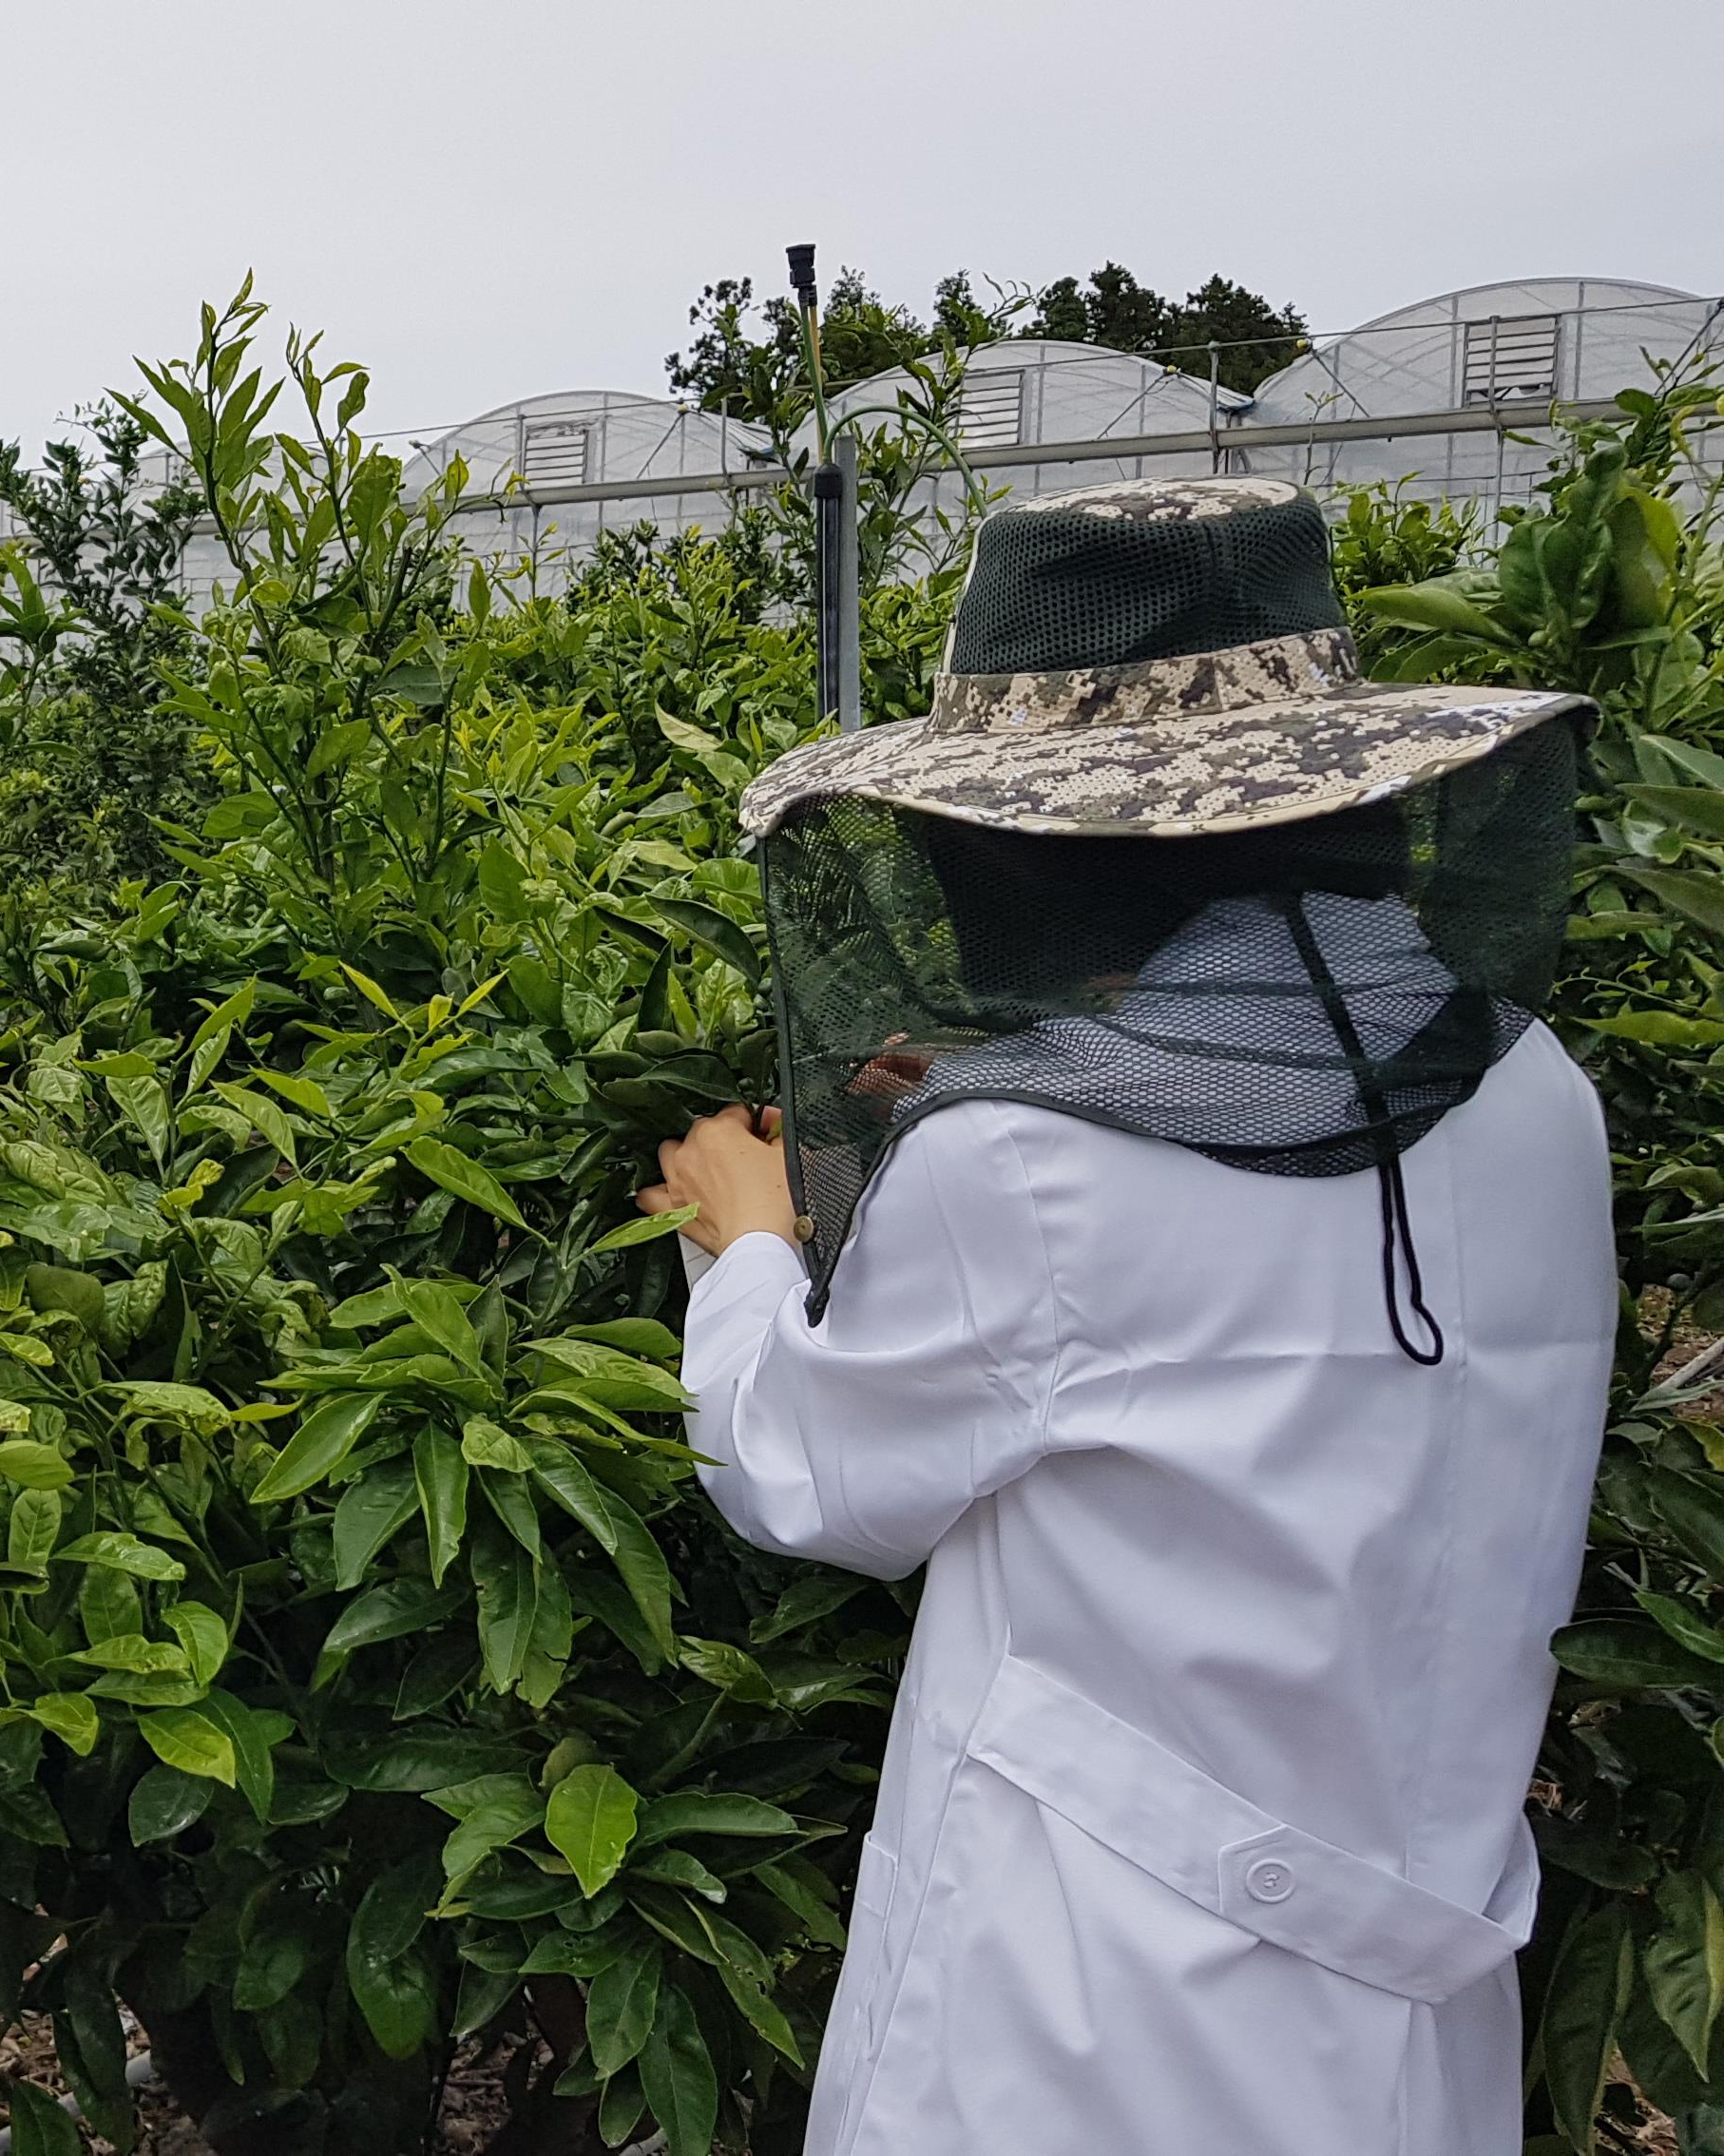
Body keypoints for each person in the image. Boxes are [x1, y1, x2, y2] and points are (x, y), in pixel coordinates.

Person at [640, 476, 1613, 2156]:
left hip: (1086, 2008)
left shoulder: (1022, 1166)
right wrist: (1038, 1093)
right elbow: (1263, 1239)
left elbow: (807, 1476)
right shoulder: (1539, 1096)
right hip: (1417, 1955)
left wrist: (744, 1243)